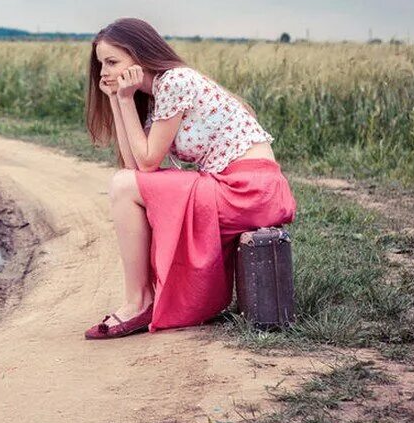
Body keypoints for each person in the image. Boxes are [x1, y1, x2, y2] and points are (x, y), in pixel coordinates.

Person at [83, 18, 297, 340]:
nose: (104, 73)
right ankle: (141, 299)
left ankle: (138, 302)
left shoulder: (174, 82)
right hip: (239, 189)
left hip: (249, 189)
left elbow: (147, 162)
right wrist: (117, 100)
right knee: (125, 182)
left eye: (112, 62)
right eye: (101, 65)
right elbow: (135, 168)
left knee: (122, 186)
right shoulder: (158, 95)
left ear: (140, 57)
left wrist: (125, 100)